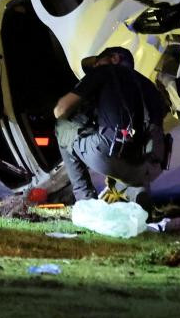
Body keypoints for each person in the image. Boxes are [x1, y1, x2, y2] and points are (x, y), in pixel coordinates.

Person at [53, 47, 168, 203]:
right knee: (128, 152)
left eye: (98, 62)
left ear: (114, 58)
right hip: (153, 166)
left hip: (112, 155)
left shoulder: (105, 71)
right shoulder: (149, 86)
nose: (95, 67)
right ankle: (138, 194)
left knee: (62, 127)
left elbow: (61, 109)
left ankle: (85, 201)